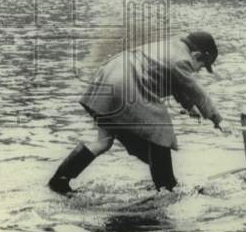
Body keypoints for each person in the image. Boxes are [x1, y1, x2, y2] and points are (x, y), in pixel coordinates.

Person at [48, 31, 224, 194]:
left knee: (103, 142)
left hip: (110, 76)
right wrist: (216, 118)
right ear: (196, 55)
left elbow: (176, 84)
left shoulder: (173, 47)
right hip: (126, 83)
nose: (198, 70)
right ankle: (166, 186)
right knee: (161, 129)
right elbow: (195, 90)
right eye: (201, 66)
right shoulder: (181, 59)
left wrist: (189, 107)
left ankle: (59, 180)